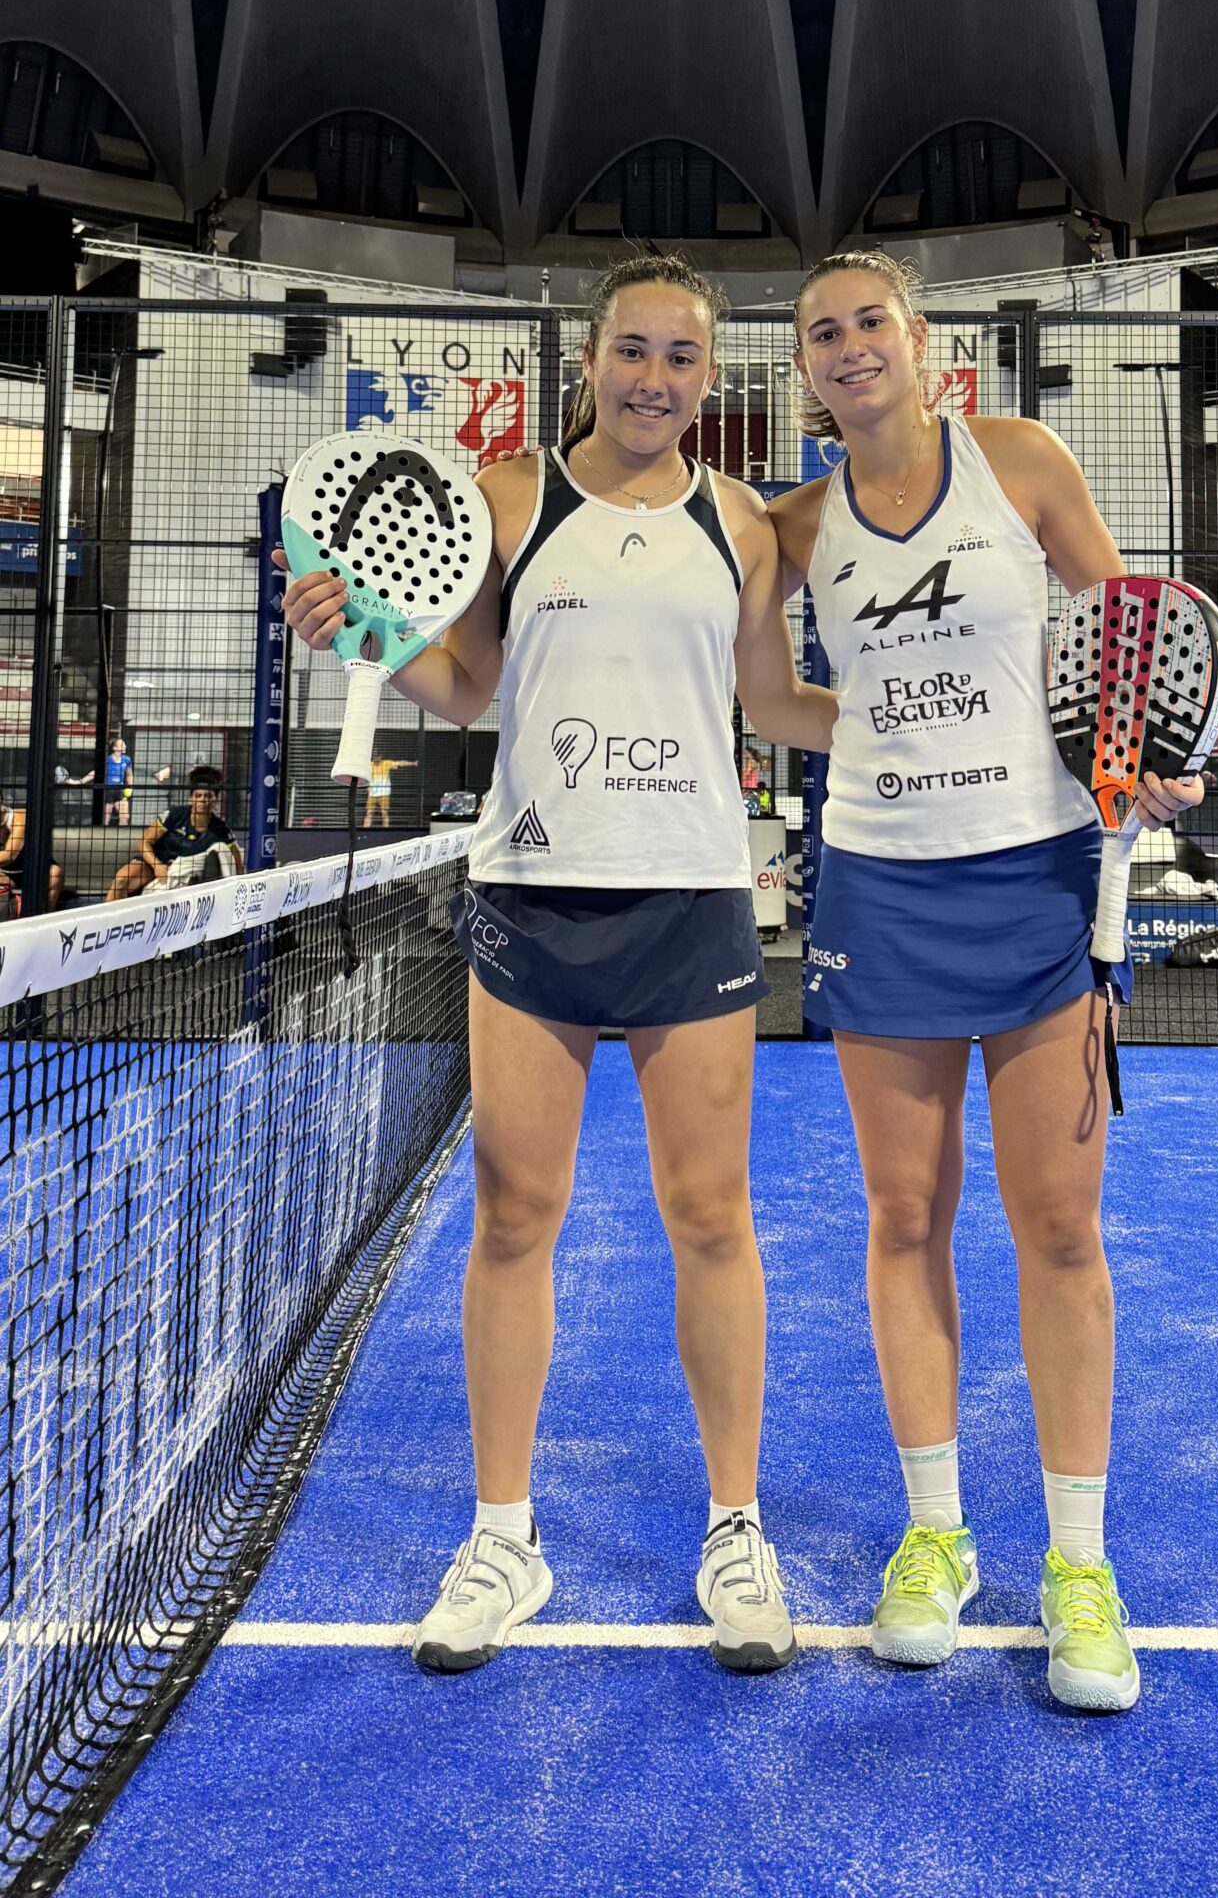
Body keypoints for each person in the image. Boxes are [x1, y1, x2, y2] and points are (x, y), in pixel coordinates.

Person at [279, 254, 837, 1675]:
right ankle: (503, 1537)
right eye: (633, 351)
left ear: (712, 377)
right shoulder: (512, 500)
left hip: (693, 901)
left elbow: (772, 702)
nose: (656, 379)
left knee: (710, 1217)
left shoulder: (742, 524)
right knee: (515, 1215)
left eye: (682, 358)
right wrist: (366, 640)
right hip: (529, 900)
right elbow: (468, 686)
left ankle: (735, 1529)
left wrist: (933, 728)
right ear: (590, 360)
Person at [768, 250, 1206, 1714]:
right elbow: (764, 695)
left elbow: (1129, 640)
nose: (848, 346)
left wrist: (1158, 770)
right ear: (804, 369)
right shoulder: (795, 524)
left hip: (1040, 887)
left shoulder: (1020, 462)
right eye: (821, 333)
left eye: (868, 321)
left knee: (1060, 1228)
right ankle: (939, 1535)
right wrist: (875, 723)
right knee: (905, 1216)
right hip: (880, 890)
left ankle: (1080, 1566)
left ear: (920, 338)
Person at [106, 765, 241, 901]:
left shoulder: (220, 829)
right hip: (156, 862)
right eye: (198, 796)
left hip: (183, 872)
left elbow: (237, 861)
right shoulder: (175, 815)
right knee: (121, 880)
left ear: (215, 799)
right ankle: (108, 914)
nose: (202, 800)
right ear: (191, 798)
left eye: (208, 796)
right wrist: (157, 866)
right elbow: (143, 842)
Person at [0, 796, 61, 909]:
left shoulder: (20, 816)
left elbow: (9, 855)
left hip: (34, 872)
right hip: (5, 874)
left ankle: (45, 915)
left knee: (55, 874)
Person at [363, 753, 416, 831]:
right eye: (374, 756)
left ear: (380, 757)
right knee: (369, 812)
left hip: (384, 793)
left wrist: (413, 763)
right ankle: (365, 831)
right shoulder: (369, 765)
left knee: (384, 813)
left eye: (377, 756)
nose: (375, 758)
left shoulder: (386, 763)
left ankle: (385, 831)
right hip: (372, 794)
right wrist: (367, 786)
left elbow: (400, 763)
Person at [103, 735, 134, 826]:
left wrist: (130, 787)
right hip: (108, 790)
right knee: (106, 818)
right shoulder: (107, 760)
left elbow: (129, 774)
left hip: (119, 789)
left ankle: (121, 833)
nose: (125, 746)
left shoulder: (126, 759)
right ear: (114, 748)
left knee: (125, 816)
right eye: (122, 745)